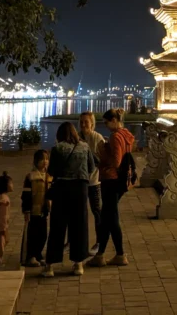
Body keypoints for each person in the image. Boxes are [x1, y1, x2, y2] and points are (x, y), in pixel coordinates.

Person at [43, 122, 97, 277]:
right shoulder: (85, 147)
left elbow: (52, 170)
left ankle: (50, 266)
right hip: (80, 189)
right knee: (79, 225)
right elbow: (92, 167)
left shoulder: (57, 149)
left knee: (57, 225)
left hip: (61, 188)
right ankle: (78, 264)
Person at [88, 108, 135, 268]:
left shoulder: (116, 137)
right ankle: (102, 254)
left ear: (114, 120)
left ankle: (119, 254)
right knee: (108, 218)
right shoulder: (126, 135)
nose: (106, 125)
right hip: (121, 181)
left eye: (107, 122)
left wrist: (103, 154)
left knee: (110, 218)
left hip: (111, 180)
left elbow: (116, 161)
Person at [79, 111, 105, 252]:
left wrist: (90, 155)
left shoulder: (97, 138)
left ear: (92, 124)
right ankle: (73, 242)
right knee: (77, 213)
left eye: (86, 122)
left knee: (97, 212)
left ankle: (100, 242)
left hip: (94, 182)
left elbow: (103, 159)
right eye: (81, 122)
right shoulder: (76, 137)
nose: (83, 125)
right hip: (79, 182)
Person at [21, 149, 52, 266]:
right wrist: (26, 210)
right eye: (42, 159)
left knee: (43, 234)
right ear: (36, 161)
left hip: (44, 211)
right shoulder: (30, 177)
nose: (45, 161)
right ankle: (31, 256)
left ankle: (38, 254)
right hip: (33, 211)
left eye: (47, 159)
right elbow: (26, 195)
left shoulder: (49, 176)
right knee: (33, 234)